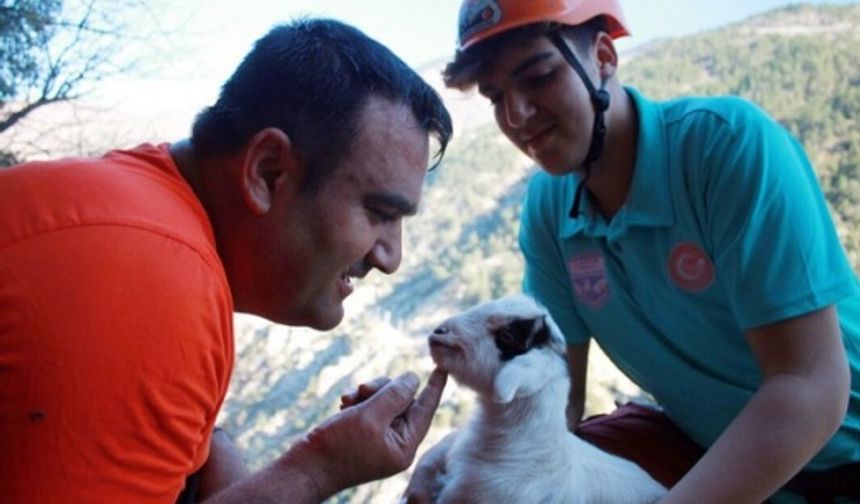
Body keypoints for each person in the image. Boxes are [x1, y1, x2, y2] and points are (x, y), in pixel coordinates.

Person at [404, 1, 860, 503]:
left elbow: (810, 386)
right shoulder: (551, 207)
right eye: (496, 97)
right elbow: (558, 395)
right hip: (702, 445)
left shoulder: (724, 149)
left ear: (603, 56)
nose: (516, 115)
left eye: (538, 76)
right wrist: (460, 455)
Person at [0, 18, 453, 503]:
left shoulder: (139, 210)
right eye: (381, 213)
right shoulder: (156, 280)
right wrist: (317, 470)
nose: (391, 257)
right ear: (267, 171)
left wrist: (212, 451)